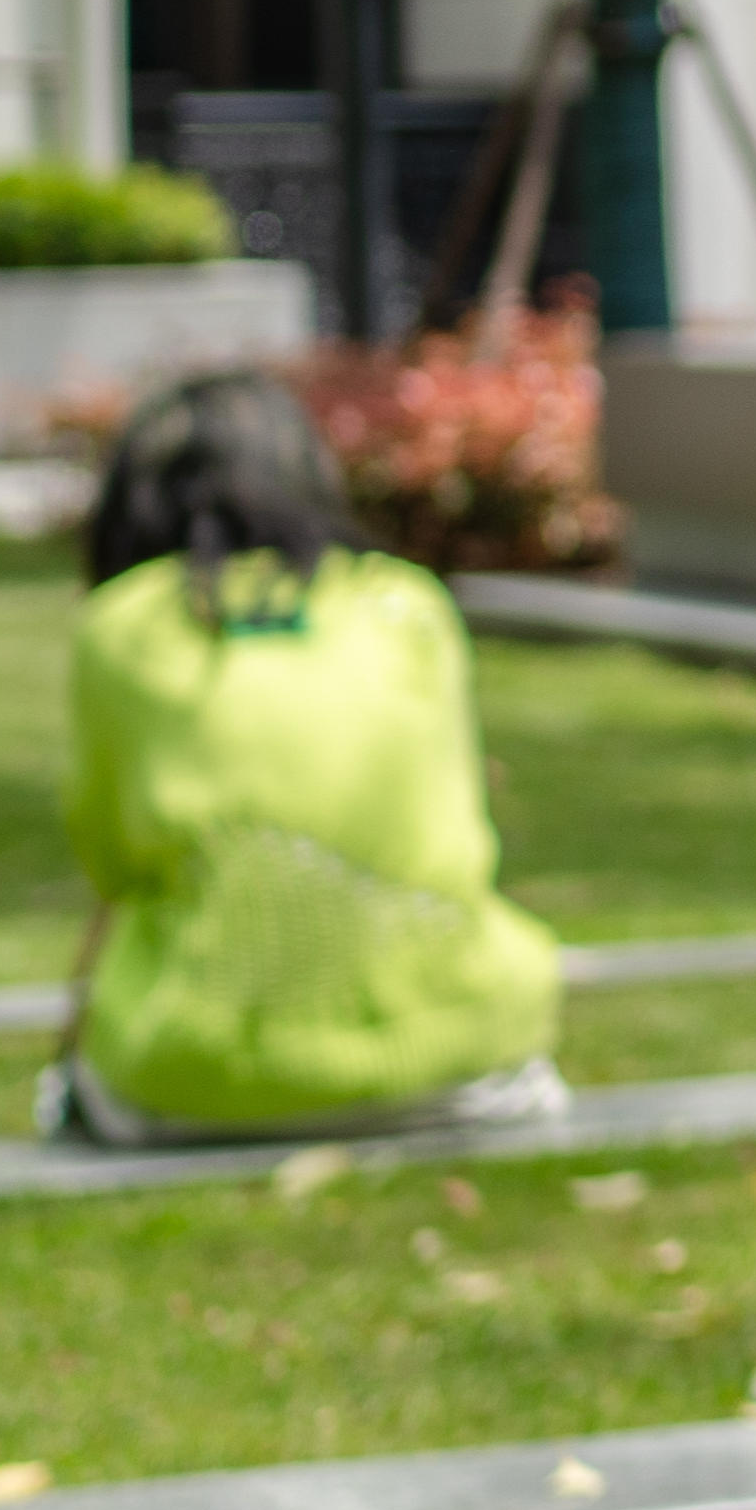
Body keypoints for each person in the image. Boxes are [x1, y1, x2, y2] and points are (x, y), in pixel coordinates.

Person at [46, 367, 566, 1151]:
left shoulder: (123, 626)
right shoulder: (407, 604)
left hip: (193, 1076)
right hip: (466, 1060)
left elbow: (113, 862)